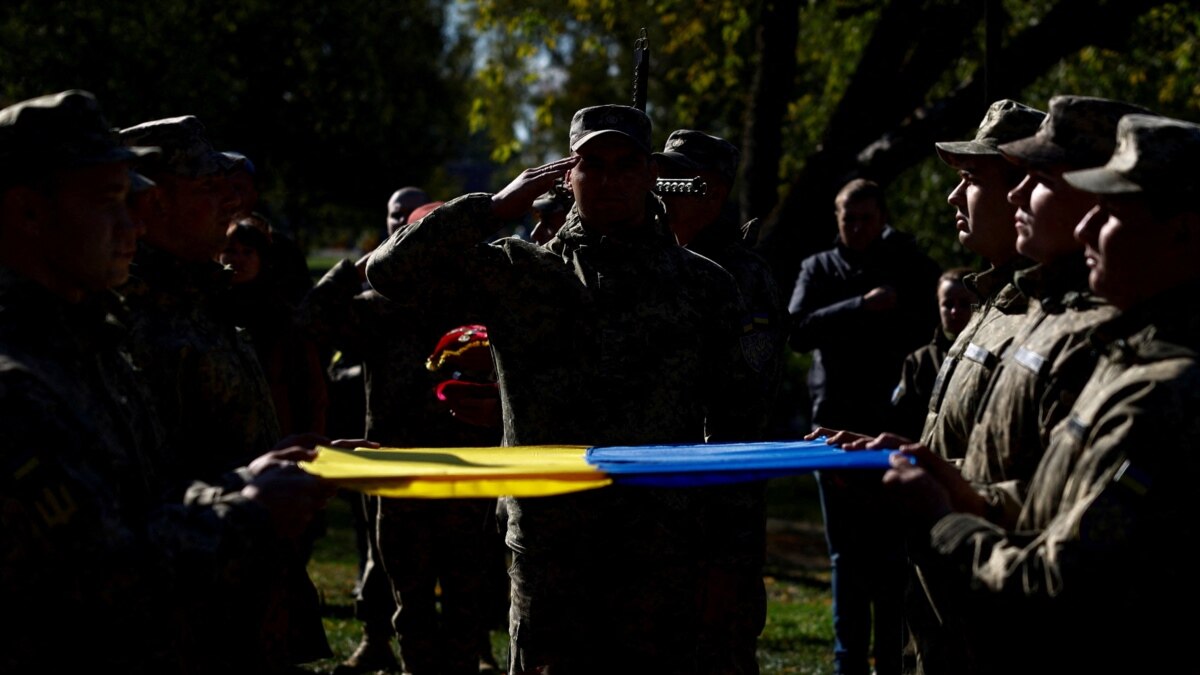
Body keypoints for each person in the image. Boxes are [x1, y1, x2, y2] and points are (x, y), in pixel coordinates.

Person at [365, 104, 761, 674]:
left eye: (625, 164)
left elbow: (735, 425)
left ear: (651, 173)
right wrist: (496, 206)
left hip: (658, 551)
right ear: (566, 175)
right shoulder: (519, 273)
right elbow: (389, 273)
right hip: (550, 550)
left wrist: (729, 559)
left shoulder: (702, 285)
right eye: (591, 164)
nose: (608, 179)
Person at [0, 89, 337, 674]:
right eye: (110, 200)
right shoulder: (17, 381)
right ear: (27, 212)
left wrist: (246, 480)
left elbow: (142, 505)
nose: (134, 221)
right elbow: (101, 582)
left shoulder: (87, 347)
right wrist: (251, 510)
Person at [883, 112, 1200, 675]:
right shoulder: (1134, 355)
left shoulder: (1171, 388)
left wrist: (944, 520)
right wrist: (966, 493)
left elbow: (1064, 585)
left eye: (1110, 211)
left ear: (1184, 231)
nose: (1085, 230)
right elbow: (1068, 509)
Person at [119, 114, 332, 671]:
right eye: (209, 188)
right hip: (198, 622)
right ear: (154, 201)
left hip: (251, 602)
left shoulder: (197, 300)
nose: (230, 205)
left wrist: (306, 460)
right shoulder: (134, 321)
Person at [301, 199, 507, 675]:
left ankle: (465, 662)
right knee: (409, 602)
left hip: (468, 474)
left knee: (466, 599)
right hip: (399, 476)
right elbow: (309, 322)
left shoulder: (484, 308)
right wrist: (363, 267)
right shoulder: (382, 310)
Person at [788, 177, 940, 675]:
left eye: (866, 219)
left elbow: (938, 320)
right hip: (831, 428)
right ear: (836, 218)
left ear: (883, 218)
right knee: (846, 556)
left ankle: (892, 659)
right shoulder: (818, 267)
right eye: (847, 218)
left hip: (893, 429)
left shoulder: (908, 265)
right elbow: (798, 331)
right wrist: (859, 307)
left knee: (895, 555)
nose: (855, 227)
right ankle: (847, 660)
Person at [655, 128, 787, 675]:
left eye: (669, 179)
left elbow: (741, 403)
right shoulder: (655, 263)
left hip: (716, 508)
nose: (656, 190)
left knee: (720, 646)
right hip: (657, 505)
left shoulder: (741, 278)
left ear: (708, 190)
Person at [890, 267, 976, 441]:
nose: (955, 311)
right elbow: (901, 420)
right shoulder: (919, 361)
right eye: (948, 304)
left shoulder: (989, 355)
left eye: (964, 304)